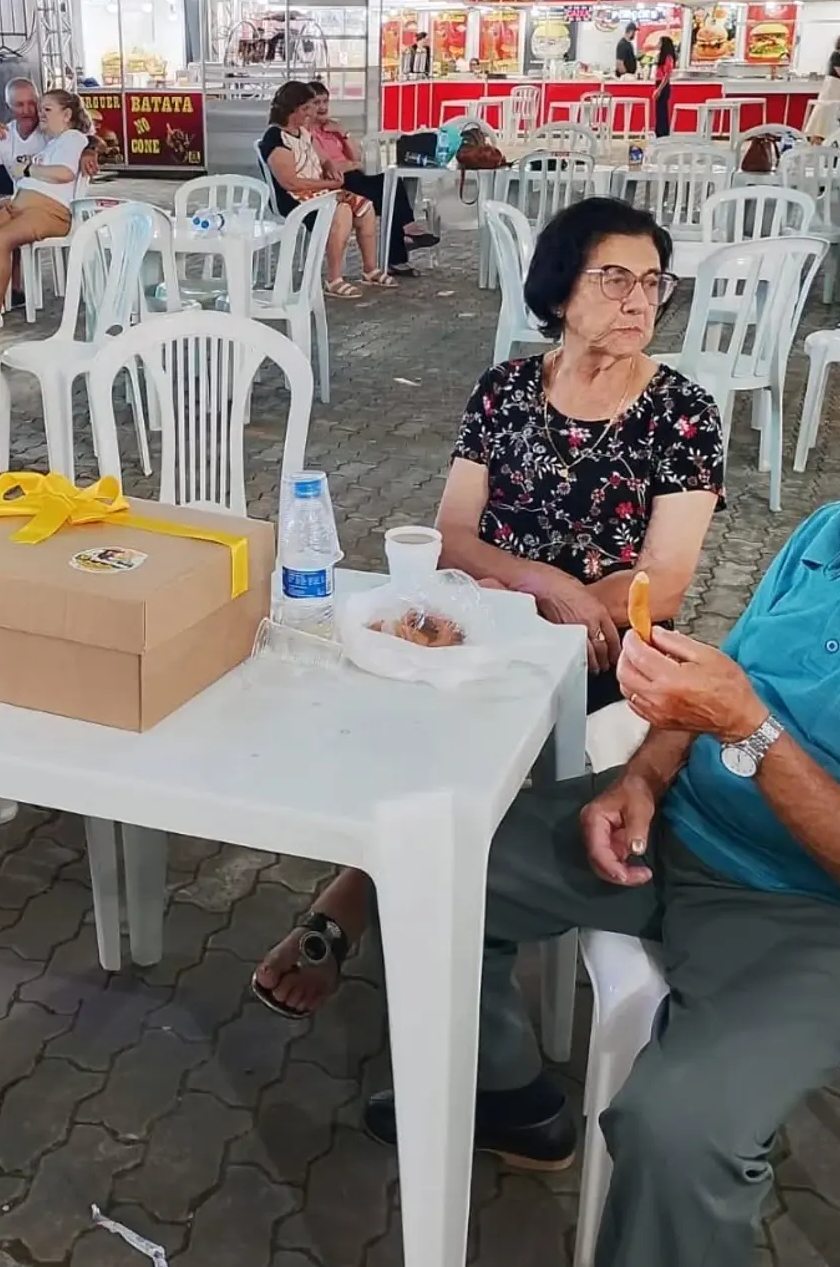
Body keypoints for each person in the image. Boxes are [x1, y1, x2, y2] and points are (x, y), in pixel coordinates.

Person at [253, 197, 725, 1018]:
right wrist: (547, 587)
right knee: (373, 709)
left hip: (607, 651)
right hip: (489, 623)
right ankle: (390, 900)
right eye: (615, 276)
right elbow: (454, 532)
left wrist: (537, 608)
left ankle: (376, 921)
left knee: (460, 755)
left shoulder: (681, 411)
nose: (639, 299)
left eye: (653, 281)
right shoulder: (505, 388)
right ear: (559, 287)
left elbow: (663, 584)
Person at [367, 499, 840, 1267]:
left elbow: (739, 708)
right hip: (676, 822)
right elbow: (722, 685)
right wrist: (643, 779)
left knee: (681, 1135)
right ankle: (505, 1097)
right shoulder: (829, 530)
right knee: (430, 871)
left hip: (806, 910)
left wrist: (749, 725)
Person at [0, 88, 91, 331]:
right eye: (40, 109)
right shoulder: (51, 143)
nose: (39, 113)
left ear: (66, 115)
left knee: (0, 239)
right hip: (20, 204)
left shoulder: (72, 138)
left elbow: (65, 173)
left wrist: (29, 170)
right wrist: (14, 194)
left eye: (46, 109)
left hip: (50, 211)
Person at [259, 81, 396, 299]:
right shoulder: (275, 138)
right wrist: (329, 185)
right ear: (293, 110)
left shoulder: (303, 133)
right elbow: (291, 183)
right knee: (341, 211)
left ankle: (370, 268)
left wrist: (330, 167)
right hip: (295, 200)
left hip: (318, 192)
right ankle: (333, 279)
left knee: (365, 207)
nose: (311, 112)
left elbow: (322, 159)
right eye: (306, 108)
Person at [306, 80, 437, 277]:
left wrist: (343, 134)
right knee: (387, 191)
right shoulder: (307, 134)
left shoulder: (332, 129)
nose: (323, 107)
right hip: (335, 182)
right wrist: (352, 165)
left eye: (325, 101)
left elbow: (357, 158)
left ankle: (403, 240)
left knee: (390, 184)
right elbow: (328, 166)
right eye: (317, 103)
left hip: (353, 176)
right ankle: (401, 247)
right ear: (306, 106)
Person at [805, 33, 840, 142]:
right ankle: (817, 138)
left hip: (837, 88)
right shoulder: (836, 55)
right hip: (832, 88)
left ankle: (825, 138)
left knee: (830, 114)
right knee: (824, 112)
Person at [652, 35, 677, 138]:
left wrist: (659, 89)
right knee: (659, 110)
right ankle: (659, 132)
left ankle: (663, 133)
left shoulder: (668, 57)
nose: (658, 44)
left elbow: (667, 75)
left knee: (662, 110)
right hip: (659, 83)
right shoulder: (661, 57)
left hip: (663, 85)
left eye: (660, 42)